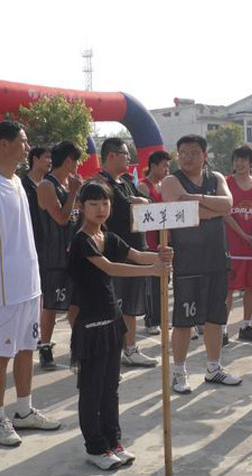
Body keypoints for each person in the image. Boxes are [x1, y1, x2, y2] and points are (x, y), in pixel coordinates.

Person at [69, 181, 172, 470]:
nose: (100, 209)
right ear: (81, 207)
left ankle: (113, 441)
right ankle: (95, 447)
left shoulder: (108, 236)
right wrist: (153, 270)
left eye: (105, 203)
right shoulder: (81, 241)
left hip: (112, 321)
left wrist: (162, 256)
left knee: (110, 387)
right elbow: (111, 268)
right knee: (92, 389)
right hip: (90, 323)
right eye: (93, 204)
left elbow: (137, 255)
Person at [0, 120, 61, 447]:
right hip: (5, 290)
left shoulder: (19, 183)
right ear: (4, 145)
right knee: (0, 355)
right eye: (23, 141)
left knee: (26, 349)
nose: (28, 147)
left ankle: (24, 410)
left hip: (29, 285)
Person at [161, 134, 242, 394]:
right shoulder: (171, 181)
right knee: (183, 320)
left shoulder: (216, 178)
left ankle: (213, 368)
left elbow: (228, 205)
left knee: (215, 317)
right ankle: (179, 372)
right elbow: (182, 213)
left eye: (194, 152)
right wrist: (210, 207)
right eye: (183, 153)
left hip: (216, 257)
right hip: (187, 261)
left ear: (204, 155)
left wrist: (194, 199)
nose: (187, 157)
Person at [97, 137, 157, 367]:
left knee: (131, 305)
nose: (129, 158)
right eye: (125, 154)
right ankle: (109, 353)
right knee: (113, 306)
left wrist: (137, 199)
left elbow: (147, 202)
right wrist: (136, 201)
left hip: (136, 250)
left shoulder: (125, 182)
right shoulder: (101, 182)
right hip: (114, 254)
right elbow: (124, 208)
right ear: (112, 155)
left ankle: (130, 349)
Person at [36, 141, 83, 370]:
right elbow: (61, 218)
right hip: (53, 255)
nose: (77, 165)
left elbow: (78, 214)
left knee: (76, 303)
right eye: (75, 160)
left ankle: (79, 346)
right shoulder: (47, 185)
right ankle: (45, 347)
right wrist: (73, 193)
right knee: (51, 305)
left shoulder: (70, 184)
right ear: (67, 161)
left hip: (73, 253)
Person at [224, 145, 252, 343]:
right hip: (232, 246)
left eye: (243, 160)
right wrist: (242, 234)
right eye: (236, 159)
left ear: (250, 163)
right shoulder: (226, 183)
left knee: (250, 287)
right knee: (228, 289)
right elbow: (225, 212)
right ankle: (222, 329)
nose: (239, 163)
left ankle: (246, 325)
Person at [138, 150, 171, 336]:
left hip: (164, 241)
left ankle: (162, 317)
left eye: (168, 166)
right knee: (152, 283)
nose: (167, 170)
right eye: (164, 166)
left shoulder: (164, 185)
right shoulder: (144, 186)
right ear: (153, 166)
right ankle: (151, 320)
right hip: (150, 242)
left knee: (165, 281)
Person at [21, 147, 52, 260]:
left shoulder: (51, 186)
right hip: (29, 244)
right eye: (47, 157)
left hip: (49, 247)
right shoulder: (22, 186)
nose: (50, 161)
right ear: (35, 159)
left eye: (51, 158)